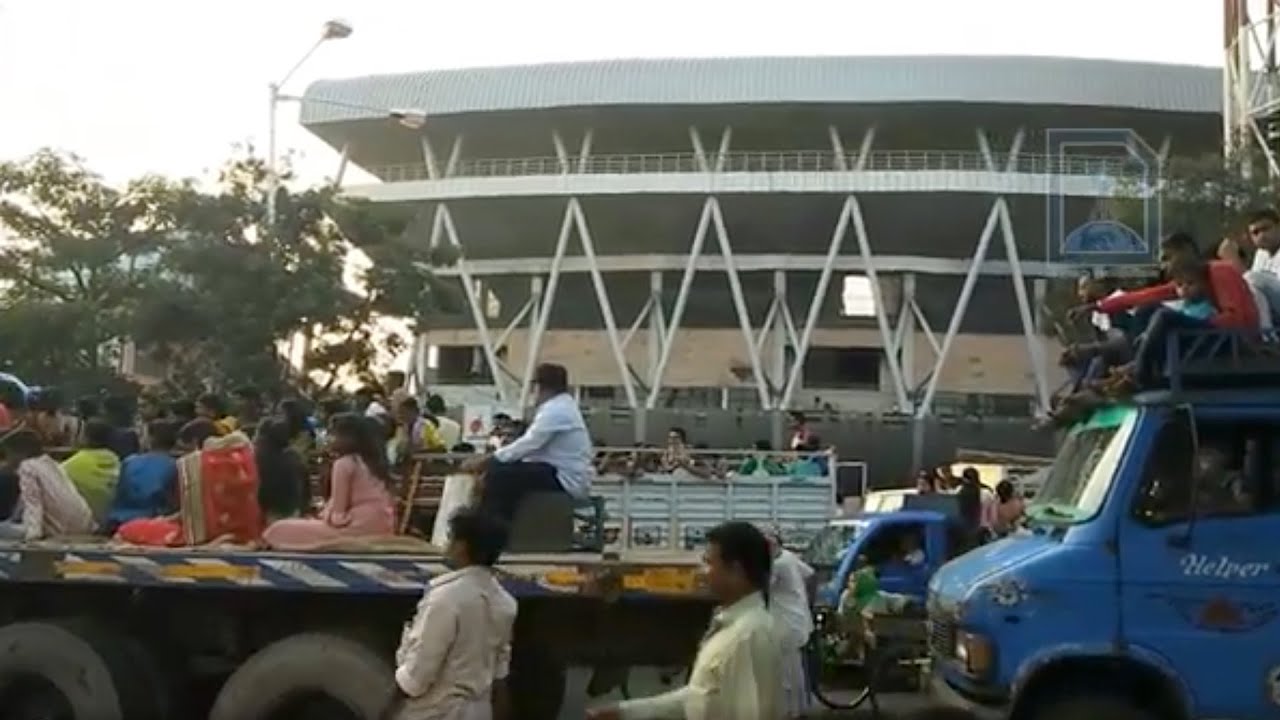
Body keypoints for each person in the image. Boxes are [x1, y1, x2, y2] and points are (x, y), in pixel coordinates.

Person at [588, 521, 782, 720]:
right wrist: (625, 712)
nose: (702, 572)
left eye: (709, 563)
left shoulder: (749, 635)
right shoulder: (732, 626)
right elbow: (699, 696)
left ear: (736, 570)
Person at [389, 508, 517, 720]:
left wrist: (388, 709)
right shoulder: (505, 602)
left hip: (437, 711)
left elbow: (419, 673)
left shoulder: (445, 599)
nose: (447, 547)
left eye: (451, 539)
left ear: (462, 546)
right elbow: (499, 671)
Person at [465, 363, 593, 524]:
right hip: (558, 472)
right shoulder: (562, 406)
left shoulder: (556, 410)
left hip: (563, 477)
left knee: (498, 476)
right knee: (504, 473)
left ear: (540, 387)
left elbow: (529, 443)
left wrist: (489, 459)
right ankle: (499, 527)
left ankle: (492, 529)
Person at [263, 414, 395, 550]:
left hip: (356, 528)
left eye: (334, 435)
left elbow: (338, 517)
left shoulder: (344, 464)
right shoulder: (372, 462)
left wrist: (323, 518)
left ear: (351, 438)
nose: (329, 440)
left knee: (279, 529)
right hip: (382, 524)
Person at [0, 429, 95, 540]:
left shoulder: (27, 467)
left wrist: (32, 535)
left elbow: (33, 504)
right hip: (83, 526)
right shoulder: (52, 464)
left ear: (17, 453)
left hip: (59, 531)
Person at [763, 526, 815, 719]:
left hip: (786, 621)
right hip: (797, 618)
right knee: (795, 667)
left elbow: (764, 589)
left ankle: (791, 711)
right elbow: (810, 574)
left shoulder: (778, 565)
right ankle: (799, 709)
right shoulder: (789, 556)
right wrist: (808, 601)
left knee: (786, 670)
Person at [106, 419, 180, 533]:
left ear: (150, 439)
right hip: (158, 523)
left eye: (142, 435)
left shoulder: (129, 461)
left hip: (120, 522)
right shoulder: (178, 465)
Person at [61, 419, 122, 525]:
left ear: (85, 437)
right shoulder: (118, 462)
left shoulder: (70, 466)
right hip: (112, 522)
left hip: (81, 523)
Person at [254, 418, 311, 522]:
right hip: (293, 511)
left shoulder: (257, 457)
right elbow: (306, 489)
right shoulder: (294, 456)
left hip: (268, 512)